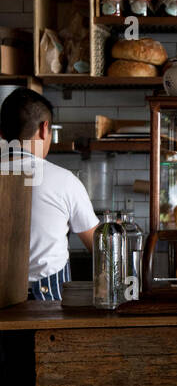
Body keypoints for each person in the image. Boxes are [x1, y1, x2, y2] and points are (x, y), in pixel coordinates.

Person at [0, 87, 99, 301]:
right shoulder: (65, 181)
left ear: (1, 133)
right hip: (47, 306)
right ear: (45, 129)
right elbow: (100, 249)